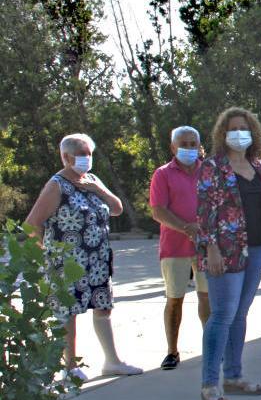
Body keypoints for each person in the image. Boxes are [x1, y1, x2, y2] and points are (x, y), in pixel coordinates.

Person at [25, 134, 143, 381]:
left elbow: (116, 208)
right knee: (69, 311)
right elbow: (32, 223)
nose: (86, 158)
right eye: (81, 154)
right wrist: (46, 252)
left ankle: (112, 361)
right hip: (68, 263)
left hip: (97, 260)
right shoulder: (56, 185)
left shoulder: (91, 179)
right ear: (66, 157)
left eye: (89, 153)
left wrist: (97, 188)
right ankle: (69, 367)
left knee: (103, 307)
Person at [196, 108, 261, 400]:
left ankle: (233, 376)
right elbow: (204, 212)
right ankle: (209, 383)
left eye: (244, 128)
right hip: (225, 252)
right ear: (222, 133)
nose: (239, 133)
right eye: (233, 128)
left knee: (240, 314)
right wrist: (211, 248)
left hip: (255, 249)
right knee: (222, 316)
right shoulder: (212, 167)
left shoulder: (256, 166)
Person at [149, 125, 210, 370]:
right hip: (174, 247)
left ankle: (211, 345)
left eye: (193, 144)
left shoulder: (208, 171)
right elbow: (158, 211)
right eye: (183, 144)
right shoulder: (163, 174)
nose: (188, 148)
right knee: (175, 299)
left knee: (207, 297)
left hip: (206, 246)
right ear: (173, 147)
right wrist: (186, 227)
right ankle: (172, 351)